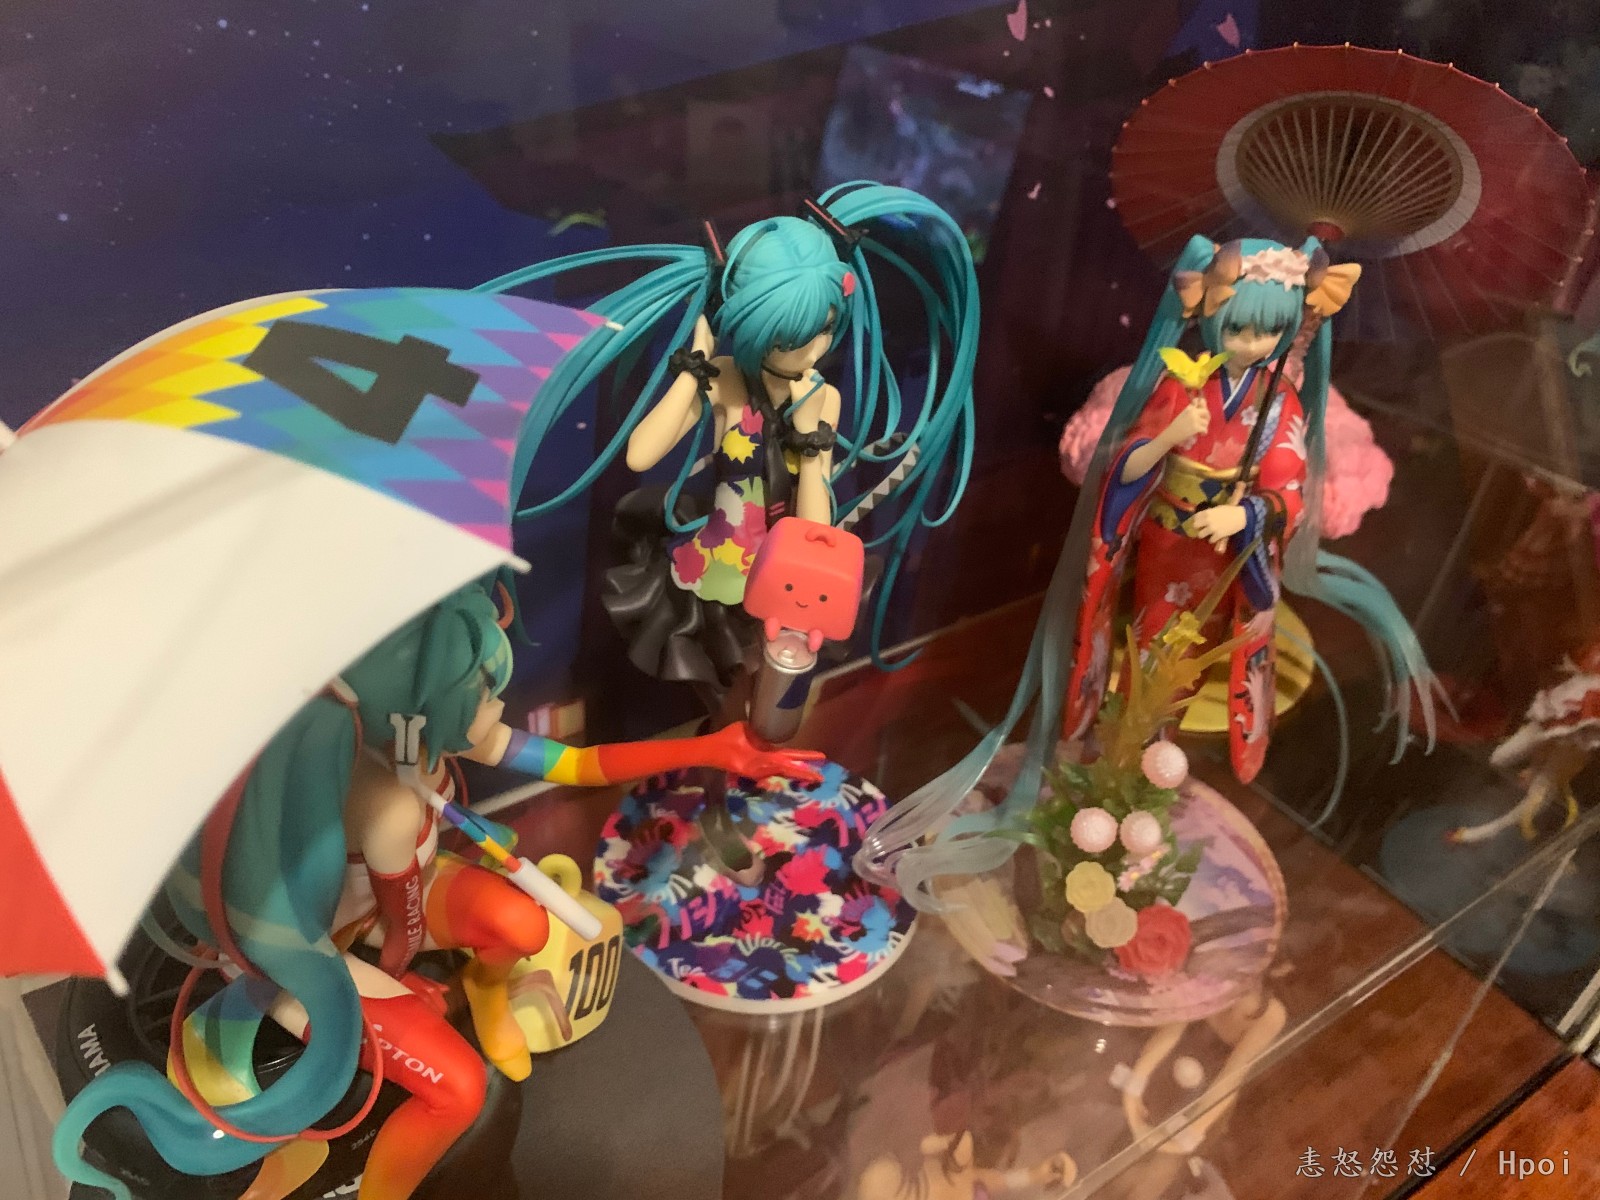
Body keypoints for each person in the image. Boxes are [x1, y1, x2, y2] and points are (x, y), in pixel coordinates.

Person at [53, 583, 820, 1200]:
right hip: (318, 953)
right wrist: (402, 987)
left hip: (392, 900)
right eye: (479, 692)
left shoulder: (424, 745)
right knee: (455, 1089)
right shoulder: (377, 794)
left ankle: (489, 996)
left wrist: (713, 748)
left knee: (522, 928)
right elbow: (403, 937)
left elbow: (576, 766)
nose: (494, 710)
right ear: (413, 703)